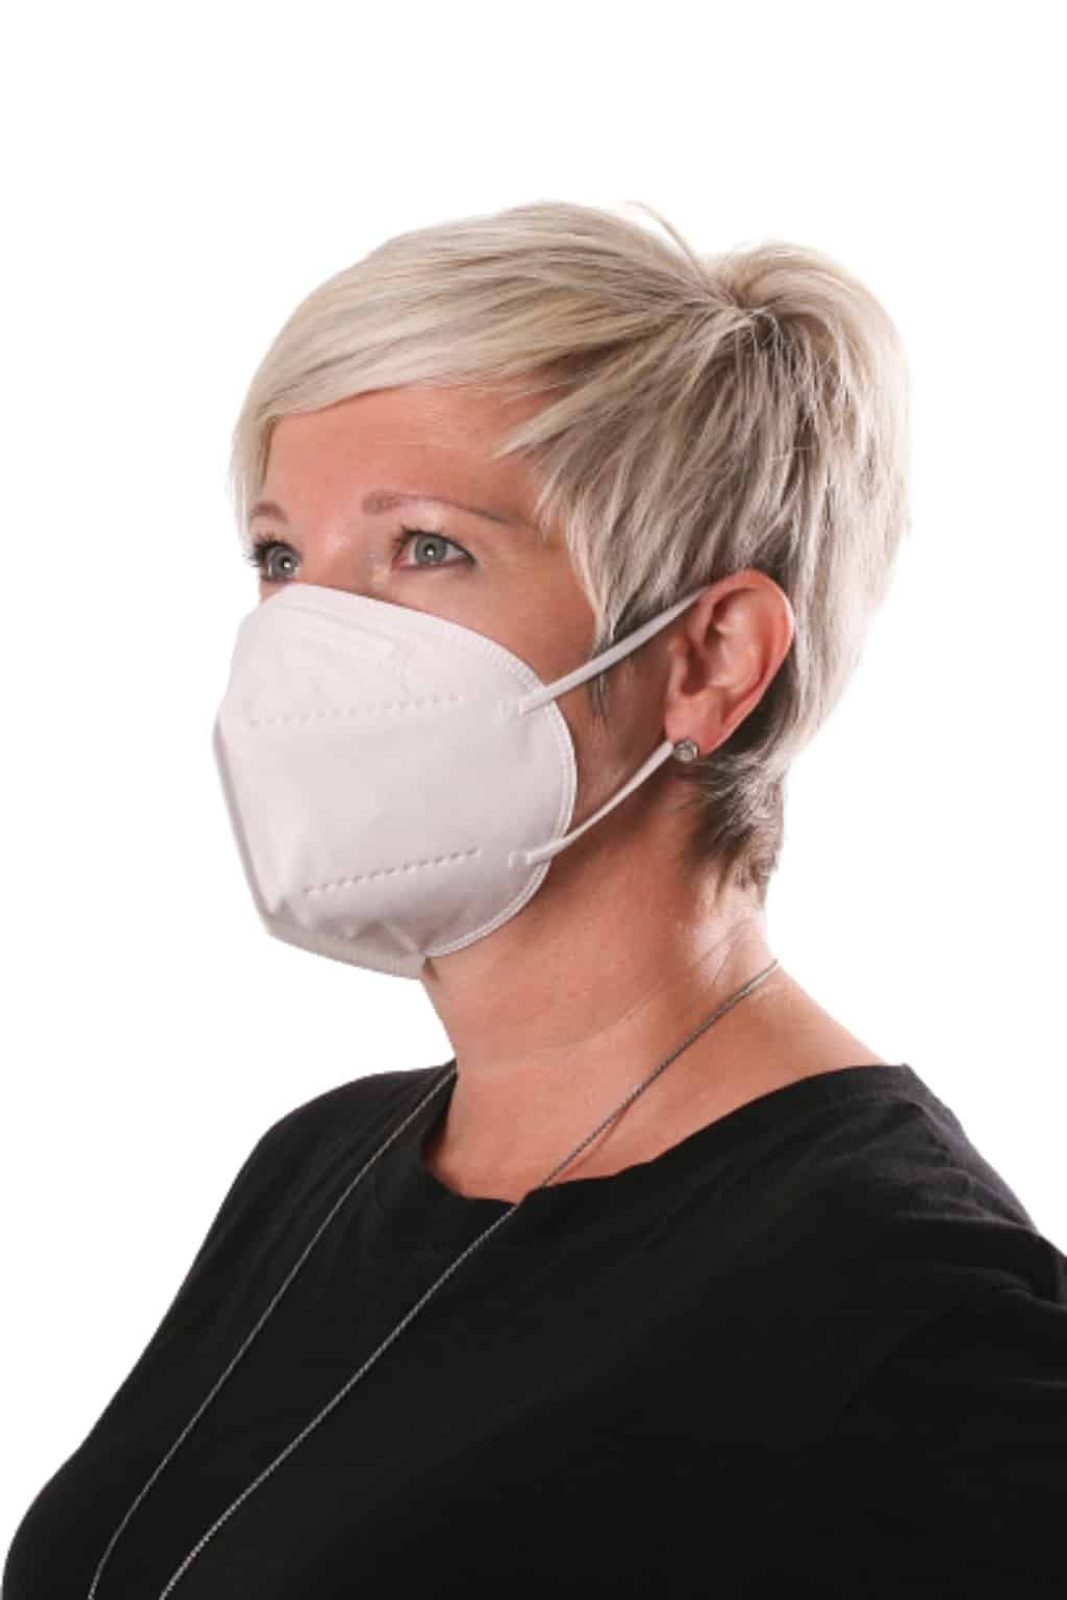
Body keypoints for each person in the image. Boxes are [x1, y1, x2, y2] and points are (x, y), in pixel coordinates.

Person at [4, 199, 1065, 1598]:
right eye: (281, 559)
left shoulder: (920, 1322)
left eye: (426, 547)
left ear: (710, 660)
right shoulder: (322, 1168)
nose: (306, 642)